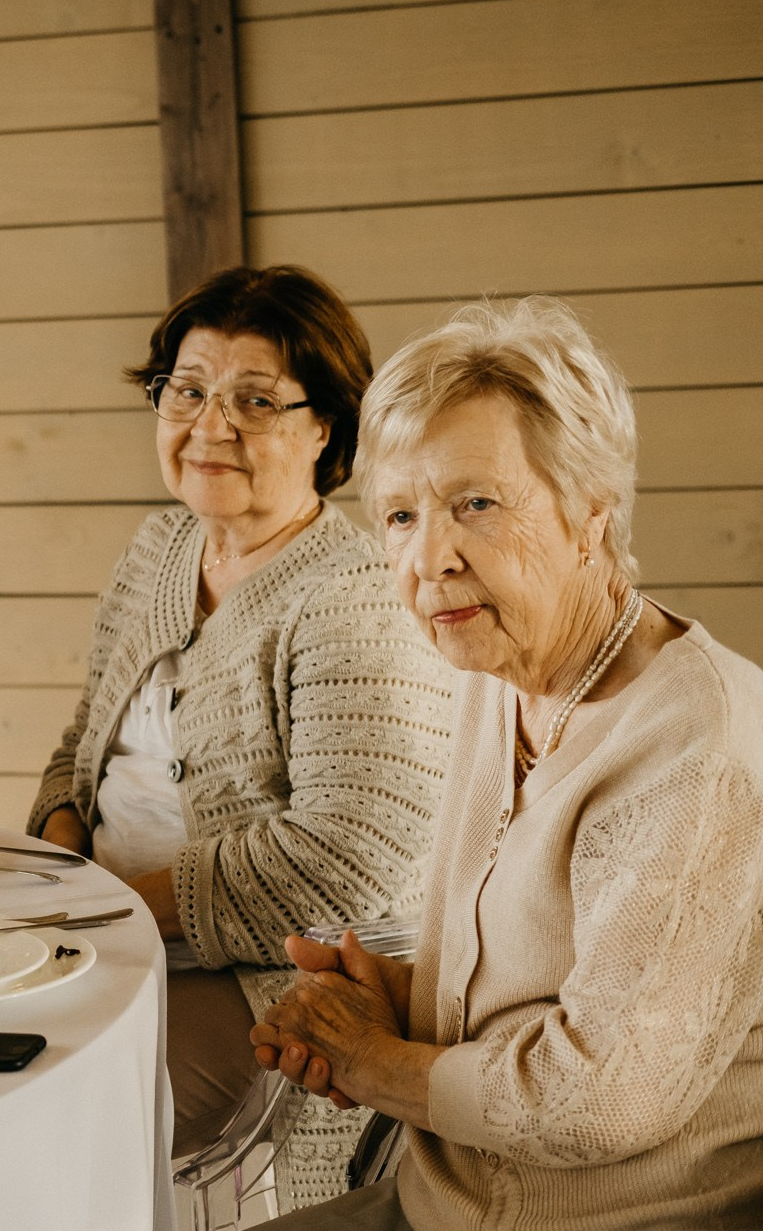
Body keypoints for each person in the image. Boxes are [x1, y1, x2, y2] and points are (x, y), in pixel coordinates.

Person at [204, 298, 763, 1231]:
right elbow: (547, 967)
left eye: (477, 503)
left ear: (592, 514)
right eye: (400, 514)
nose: (431, 558)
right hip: (453, 1208)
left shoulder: (693, 742)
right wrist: (395, 995)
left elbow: (601, 1098)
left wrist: (377, 1061)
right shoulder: (497, 674)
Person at [28, 265, 454, 1153]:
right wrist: (56, 860)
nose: (209, 425)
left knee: (44, 1123)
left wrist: (102, 907)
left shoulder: (357, 594)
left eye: (256, 401)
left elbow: (347, 863)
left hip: (266, 979)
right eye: (187, 390)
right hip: (106, 936)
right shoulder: (159, 547)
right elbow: (82, 744)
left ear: (326, 425)